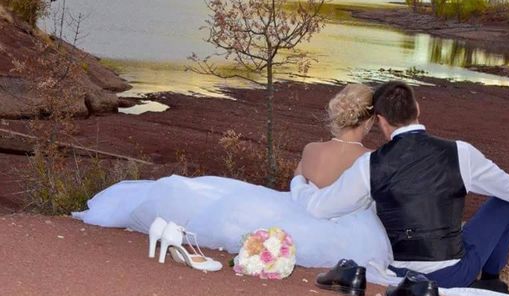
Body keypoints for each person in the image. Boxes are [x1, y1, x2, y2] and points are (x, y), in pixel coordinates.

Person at [73, 84, 394, 276]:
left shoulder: (312, 150)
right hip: (352, 230)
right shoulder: (368, 159)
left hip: (299, 209)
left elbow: (298, 183)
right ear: (368, 123)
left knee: (222, 202)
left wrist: (303, 188)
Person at [291, 81, 509, 290]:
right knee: (507, 203)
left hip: (399, 273)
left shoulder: (370, 164)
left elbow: (320, 208)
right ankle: (490, 280)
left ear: (382, 122)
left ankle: (488, 281)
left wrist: (299, 183)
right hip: (453, 274)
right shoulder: (461, 152)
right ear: (417, 109)